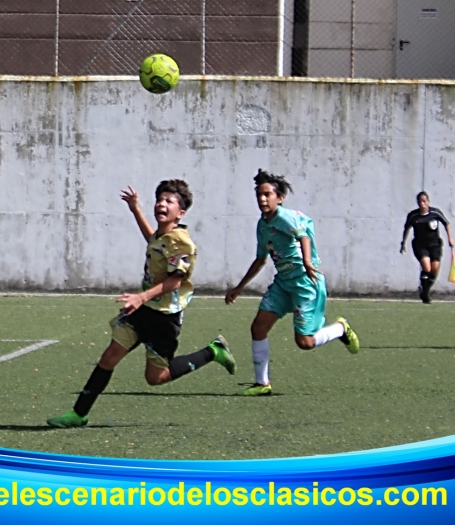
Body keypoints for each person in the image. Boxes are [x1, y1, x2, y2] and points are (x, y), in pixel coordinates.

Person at [47, 180, 236, 428]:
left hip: (164, 317)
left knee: (156, 378)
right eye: (160, 199)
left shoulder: (182, 242)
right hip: (143, 310)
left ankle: (213, 351)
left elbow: (175, 282)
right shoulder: (163, 236)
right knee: (109, 356)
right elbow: (153, 240)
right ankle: (78, 414)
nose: (162, 203)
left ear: (180, 213)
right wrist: (136, 209)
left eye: (169, 201)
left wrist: (141, 297)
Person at [224, 169, 360, 396]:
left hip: (306, 283)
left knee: (305, 342)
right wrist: (239, 287)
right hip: (283, 284)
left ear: (280, 197)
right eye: (259, 194)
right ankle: (262, 383)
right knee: (258, 328)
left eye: (267, 194)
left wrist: (307, 261)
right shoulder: (262, 225)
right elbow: (261, 259)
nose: (262, 199)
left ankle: (340, 328)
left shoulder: (285, 218)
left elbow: (304, 236)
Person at [400, 191, 455, 303]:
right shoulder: (413, 215)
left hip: (435, 244)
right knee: (427, 268)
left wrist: (450, 238)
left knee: (434, 269)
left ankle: (425, 289)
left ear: (428, 202)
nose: (422, 204)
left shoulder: (435, 213)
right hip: (420, 245)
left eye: (424, 201)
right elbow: (407, 229)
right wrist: (403, 243)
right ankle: (425, 295)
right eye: (420, 202)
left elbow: (446, 223)